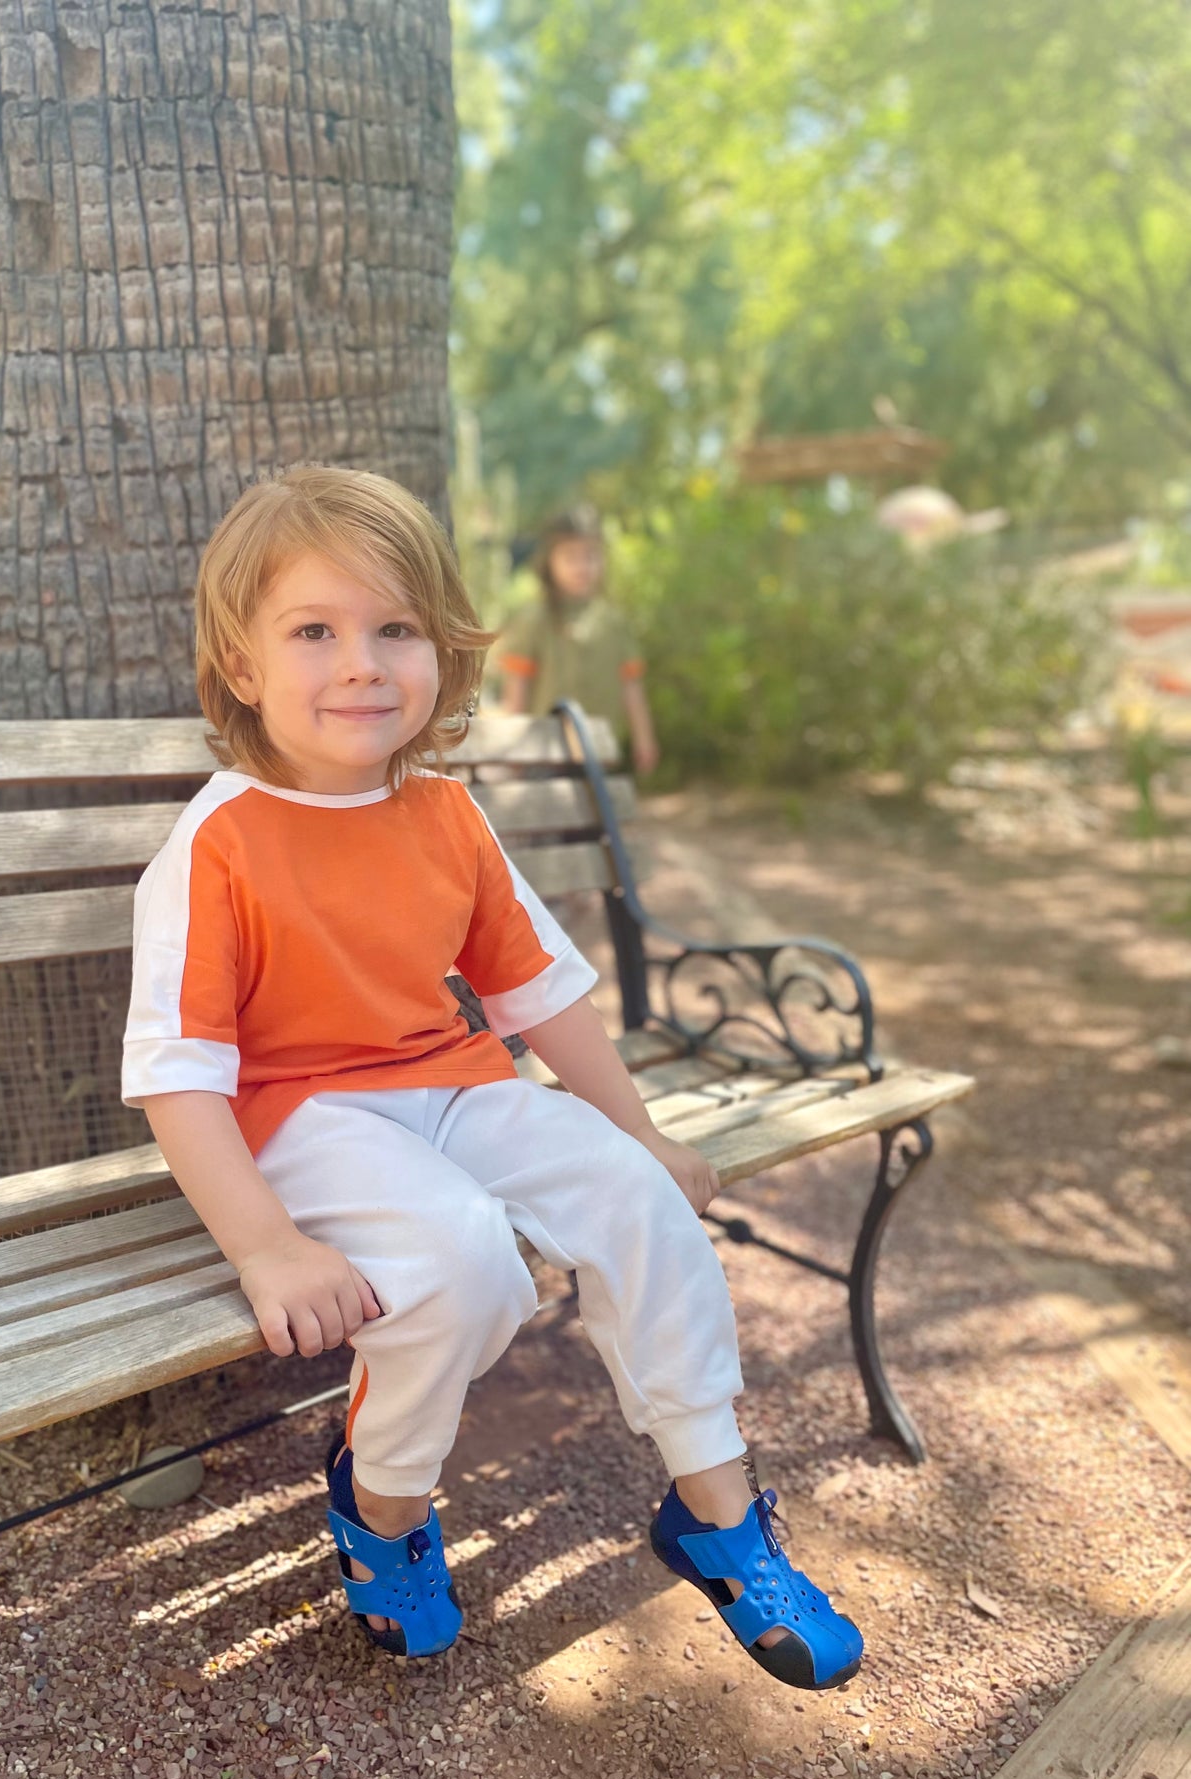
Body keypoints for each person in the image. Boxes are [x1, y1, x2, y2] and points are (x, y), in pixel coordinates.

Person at [121, 465, 861, 1687]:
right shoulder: (218, 843)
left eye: (393, 628)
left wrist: (644, 1139)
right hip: (305, 1118)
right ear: (242, 667)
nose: (360, 661)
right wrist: (265, 1246)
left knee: (639, 1204)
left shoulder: (445, 814)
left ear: (440, 653)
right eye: (314, 631)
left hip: (458, 1090)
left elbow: (540, 999)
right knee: (459, 1263)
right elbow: (179, 1076)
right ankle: (386, 1509)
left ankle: (717, 1519)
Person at [496, 508, 659, 774]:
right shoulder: (534, 619)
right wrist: (516, 747)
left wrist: (644, 738)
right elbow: (517, 688)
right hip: (546, 754)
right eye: (570, 557)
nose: (582, 566)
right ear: (550, 561)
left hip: (600, 752)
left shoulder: (613, 622)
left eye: (590, 556)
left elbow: (631, 686)